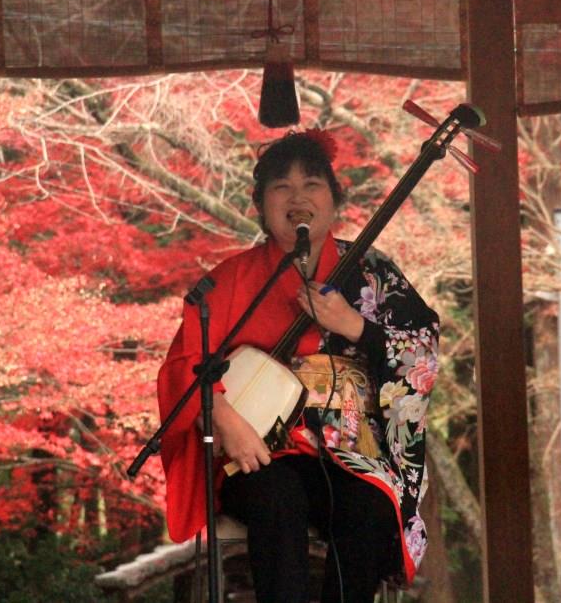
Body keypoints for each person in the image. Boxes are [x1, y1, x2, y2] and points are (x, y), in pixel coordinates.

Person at [156, 129, 439, 603]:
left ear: (334, 199)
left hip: (353, 448)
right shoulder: (230, 280)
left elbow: (423, 352)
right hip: (263, 448)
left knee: (368, 506)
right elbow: (184, 366)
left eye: (312, 185)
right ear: (261, 205)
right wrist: (226, 420)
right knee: (277, 497)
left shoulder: (375, 272)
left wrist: (354, 325)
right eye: (281, 187)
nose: (297, 197)